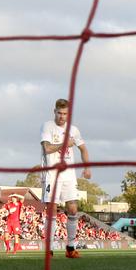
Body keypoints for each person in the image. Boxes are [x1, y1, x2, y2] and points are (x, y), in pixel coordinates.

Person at [40, 98, 92, 258]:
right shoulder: (47, 126)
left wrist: (87, 166)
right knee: (52, 209)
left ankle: (70, 248)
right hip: (52, 174)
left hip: (69, 175)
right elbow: (47, 148)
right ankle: (49, 249)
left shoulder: (74, 130)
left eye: (65, 114)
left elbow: (83, 149)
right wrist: (65, 144)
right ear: (54, 111)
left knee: (73, 209)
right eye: (59, 113)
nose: (62, 116)